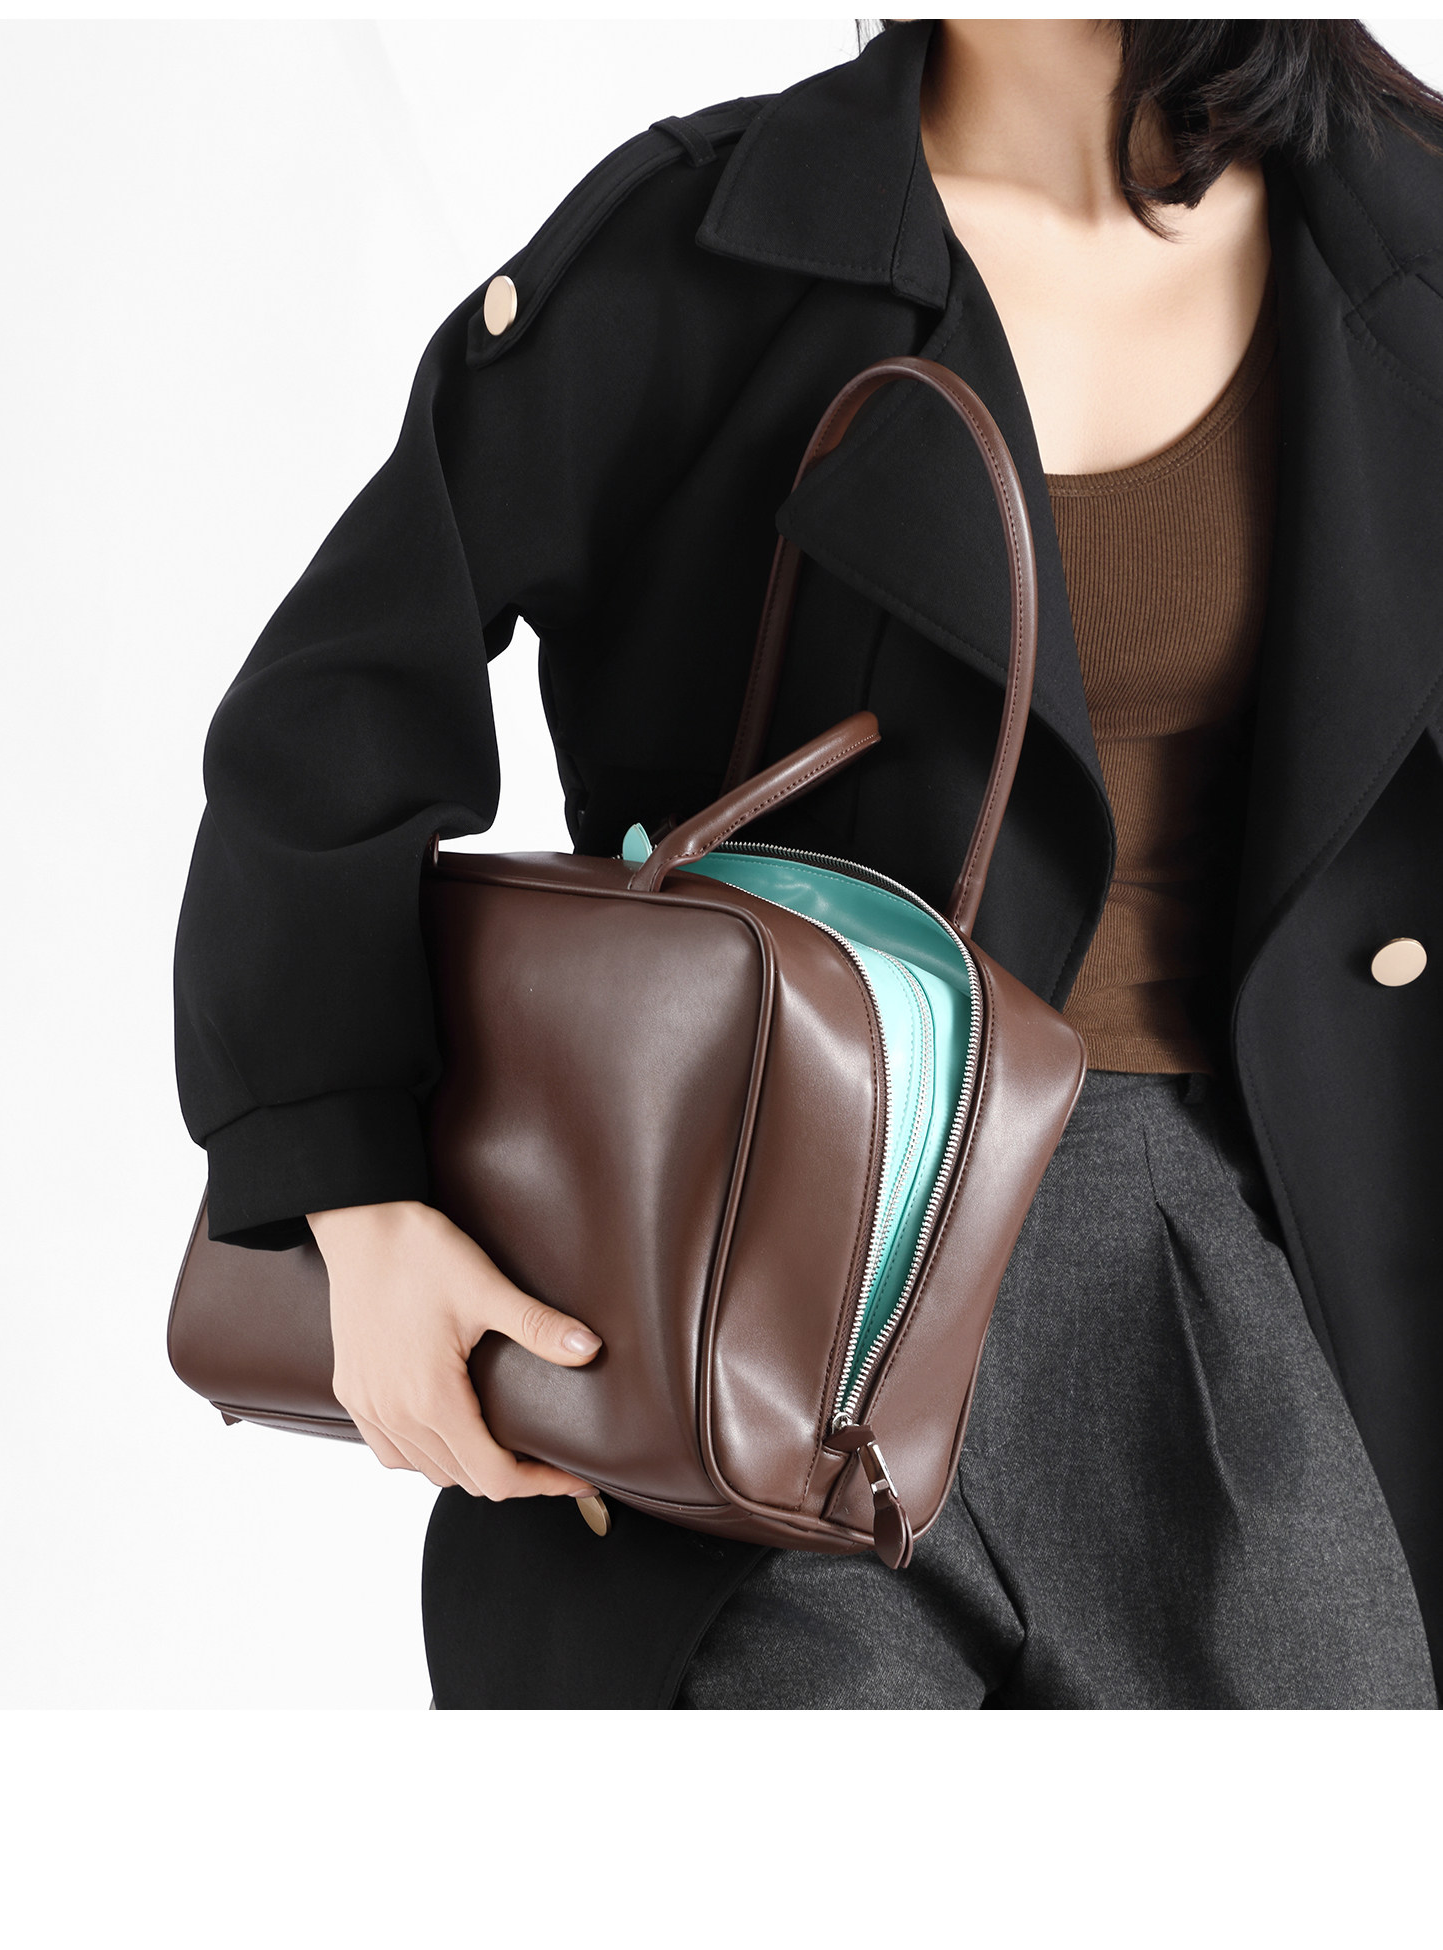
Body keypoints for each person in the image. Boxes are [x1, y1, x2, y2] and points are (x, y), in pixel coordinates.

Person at [174, 20, 1443, 1707]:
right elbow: (330, 709)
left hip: (1242, 1268)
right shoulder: (713, 240)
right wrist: (355, 1192)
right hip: (759, 1274)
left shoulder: (1401, 231)